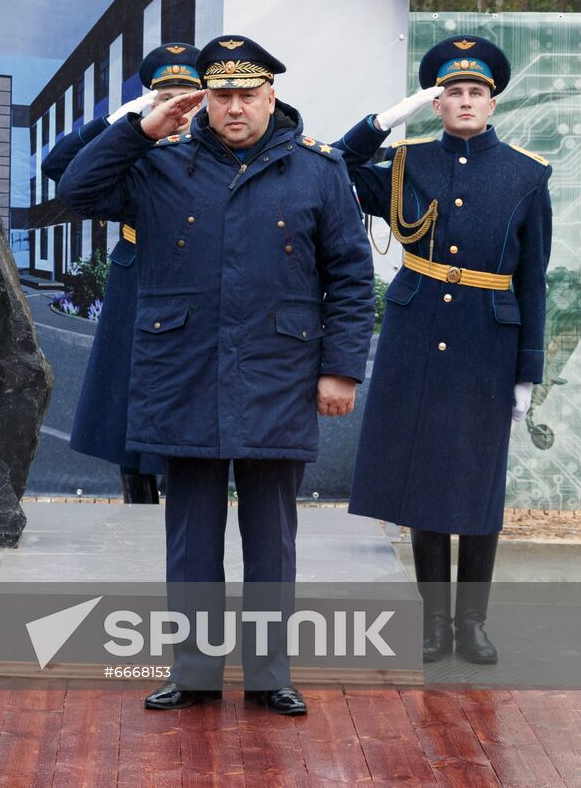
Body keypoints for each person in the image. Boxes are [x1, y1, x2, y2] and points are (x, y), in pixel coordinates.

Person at [59, 35, 376, 715]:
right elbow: (76, 188)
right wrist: (142, 128)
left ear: (271, 96)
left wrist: (342, 369)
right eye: (222, 94)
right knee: (191, 541)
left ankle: (269, 675)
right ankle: (195, 672)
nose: (235, 107)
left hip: (279, 374)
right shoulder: (160, 165)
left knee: (272, 541)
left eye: (247, 94)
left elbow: (351, 277)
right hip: (186, 372)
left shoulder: (318, 171)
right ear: (205, 98)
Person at [341, 36, 552, 665]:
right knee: (424, 475)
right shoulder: (408, 163)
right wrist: (384, 121)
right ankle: (434, 621)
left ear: (492, 104)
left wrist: (527, 372)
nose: (464, 101)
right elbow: (334, 167)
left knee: (479, 480)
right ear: (436, 105)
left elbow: (533, 281)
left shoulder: (526, 174)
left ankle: (473, 623)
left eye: (475, 93)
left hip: (488, 340)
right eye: (452, 92)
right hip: (416, 334)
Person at [41, 42, 202, 504]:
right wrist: (121, 119)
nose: (177, 107)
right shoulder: (132, 144)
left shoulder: (214, 147)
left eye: (186, 97)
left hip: (193, 275)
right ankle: (139, 502)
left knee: (186, 392)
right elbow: (57, 167)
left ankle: (185, 500)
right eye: (166, 96)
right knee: (128, 391)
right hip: (137, 274)